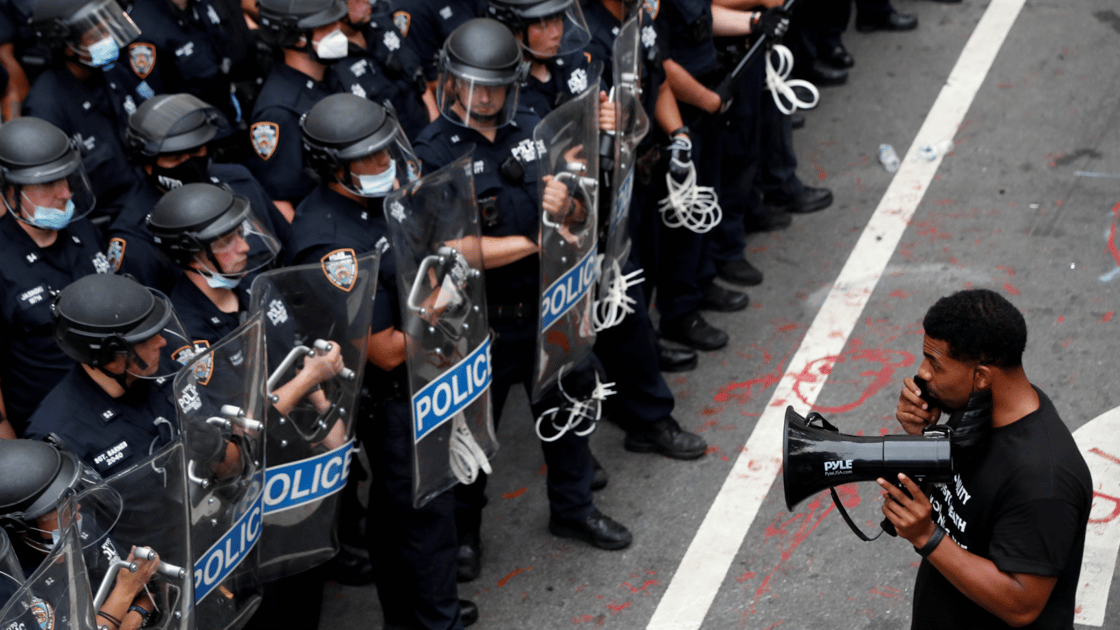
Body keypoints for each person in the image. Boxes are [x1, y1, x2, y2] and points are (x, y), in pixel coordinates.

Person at [415, 16, 633, 584]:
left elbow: (580, 213)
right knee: (473, 435)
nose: (485, 97)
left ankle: (575, 508)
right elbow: (448, 246)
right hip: (478, 322)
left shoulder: (536, 125)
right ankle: (466, 536)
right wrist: (534, 237)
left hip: (546, 306)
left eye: (496, 85)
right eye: (474, 84)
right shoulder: (434, 150)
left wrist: (571, 206)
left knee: (568, 413)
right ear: (451, 82)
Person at [286, 93, 477, 629]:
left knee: (399, 520)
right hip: (390, 401)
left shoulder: (384, 200)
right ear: (334, 167)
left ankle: (411, 615)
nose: (384, 164)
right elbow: (386, 351)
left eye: (384, 151)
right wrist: (447, 296)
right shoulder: (329, 243)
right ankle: (438, 620)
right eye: (369, 158)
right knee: (426, 517)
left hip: (425, 379)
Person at [882, 288, 1092, 629]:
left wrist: (926, 536)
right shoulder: (976, 411)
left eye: (935, 364)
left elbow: (1022, 604)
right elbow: (964, 505)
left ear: (981, 376)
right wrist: (921, 438)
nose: (922, 373)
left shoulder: (1045, 479)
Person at [109, 92, 292, 293]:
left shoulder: (238, 180)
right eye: (176, 158)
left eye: (196, 152)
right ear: (148, 165)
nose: (190, 165)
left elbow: (287, 248)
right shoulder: (136, 237)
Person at [0, 117, 108, 435]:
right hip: (52, 426)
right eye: (48, 184)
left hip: (111, 403)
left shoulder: (82, 230)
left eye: (65, 179)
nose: (65, 193)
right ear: (11, 190)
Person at [22, 273, 186, 476]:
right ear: (106, 356)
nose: (162, 342)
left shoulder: (165, 369)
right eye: (144, 340)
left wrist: (212, 444)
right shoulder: (60, 439)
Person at [23, 0, 163, 222]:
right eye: (97, 34)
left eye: (108, 28)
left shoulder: (113, 72)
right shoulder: (46, 107)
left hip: (150, 195)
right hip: (113, 220)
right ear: (68, 45)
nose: (108, 38)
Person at [0, 439, 162, 630]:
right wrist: (124, 592)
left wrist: (137, 614)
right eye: (60, 509)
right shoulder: (10, 587)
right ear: (18, 528)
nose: (76, 510)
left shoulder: (83, 530)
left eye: (71, 498)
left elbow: (149, 587)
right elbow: (132, 584)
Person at [249, 0, 349, 218]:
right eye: (325, 27)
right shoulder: (278, 111)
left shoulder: (331, 73)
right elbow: (279, 199)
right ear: (293, 37)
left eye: (336, 23)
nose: (338, 32)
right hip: (325, 219)